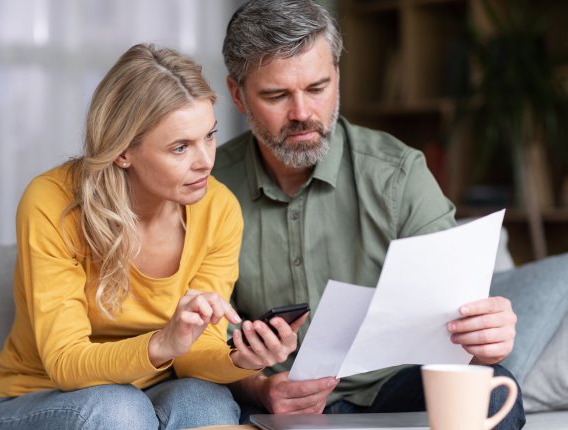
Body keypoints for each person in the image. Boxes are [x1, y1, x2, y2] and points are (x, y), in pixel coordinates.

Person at [213, 1, 525, 428]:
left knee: (490, 390)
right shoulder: (206, 187)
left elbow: (456, 311)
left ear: (337, 77)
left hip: (388, 386)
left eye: (318, 88)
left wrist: (483, 339)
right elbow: (200, 337)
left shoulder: (398, 173)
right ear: (238, 95)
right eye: (277, 95)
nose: (302, 113)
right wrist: (258, 386)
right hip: (264, 395)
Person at [0, 43, 305, 430]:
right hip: (40, 399)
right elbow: (65, 362)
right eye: (180, 147)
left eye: (210, 136)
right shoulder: (52, 202)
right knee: (120, 408)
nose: (205, 161)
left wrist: (242, 359)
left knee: (206, 401)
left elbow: (195, 352)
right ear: (122, 152)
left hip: (152, 393)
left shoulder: (218, 208)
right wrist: (162, 343)